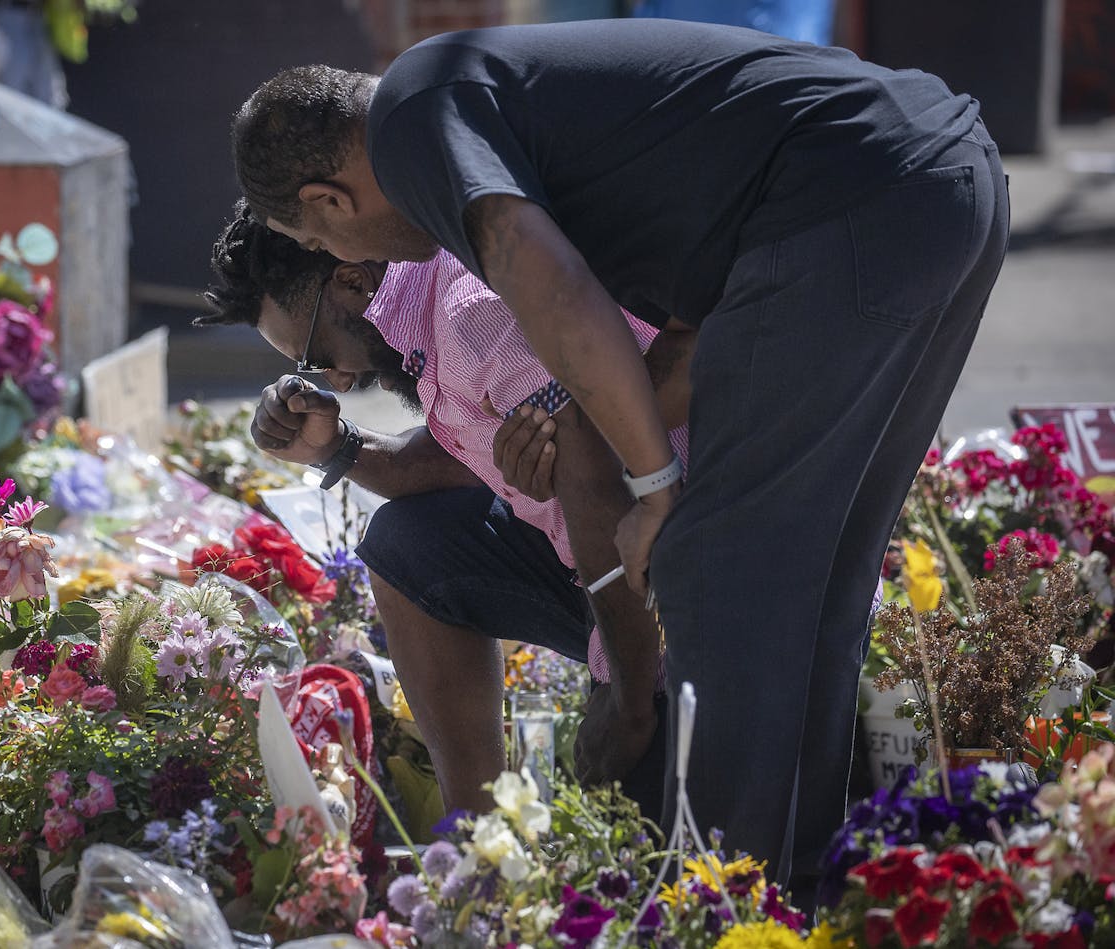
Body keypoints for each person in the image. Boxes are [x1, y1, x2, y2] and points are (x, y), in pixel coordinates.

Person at [231, 19, 1010, 893]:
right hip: (943, 176)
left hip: (856, 198)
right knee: (812, 582)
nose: (349, 262)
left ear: (330, 203)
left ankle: (727, 906)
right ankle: (792, 892)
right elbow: (661, 347)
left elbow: (553, 291)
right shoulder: (493, 116)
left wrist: (651, 491)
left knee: (723, 576)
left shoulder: (415, 122)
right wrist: (597, 444)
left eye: (323, 243)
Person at [198, 201, 692, 815]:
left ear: (351, 281)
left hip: (688, 570)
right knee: (407, 542)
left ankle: (644, 709)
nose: (340, 384)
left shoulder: (472, 316)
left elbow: (601, 500)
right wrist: (338, 447)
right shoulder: (428, 313)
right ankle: (476, 835)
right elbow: (461, 460)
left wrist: (629, 706)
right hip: (623, 560)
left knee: (662, 842)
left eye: (317, 356)